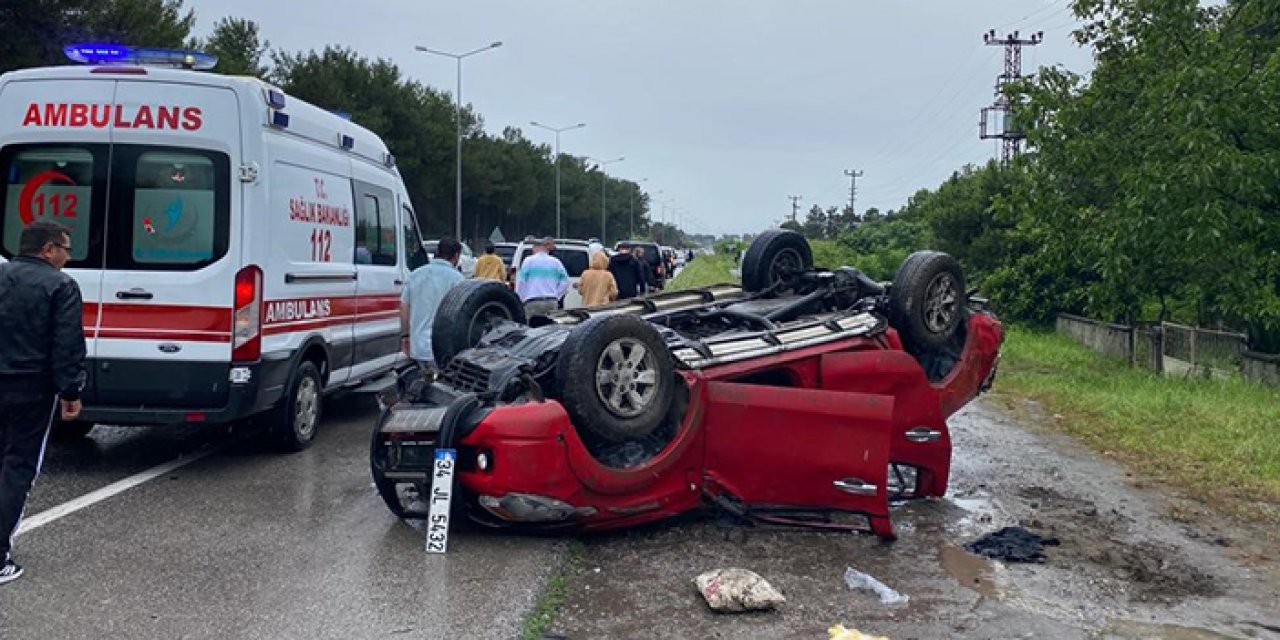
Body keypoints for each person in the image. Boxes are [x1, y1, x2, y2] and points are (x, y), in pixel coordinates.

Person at [0, 221, 86, 585]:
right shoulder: (61, 286)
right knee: (19, 466)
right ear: (48, 249)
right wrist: (71, 392)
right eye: (66, 247)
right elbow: (66, 344)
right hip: (31, 389)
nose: (69, 254)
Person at [400, 236, 465, 379]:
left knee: (423, 383)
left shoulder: (415, 275)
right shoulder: (458, 279)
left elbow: (404, 308)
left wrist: (405, 337)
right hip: (443, 350)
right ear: (455, 256)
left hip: (418, 347)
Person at [515, 237, 569, 316]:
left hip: (533, 301)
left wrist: (521, 299)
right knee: (550, 327)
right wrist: (557, 295)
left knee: (533, 326)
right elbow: (566, 281)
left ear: (537, 247)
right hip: (551, 301)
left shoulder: (528, 261)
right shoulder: (556, 262)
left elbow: (521, 282)